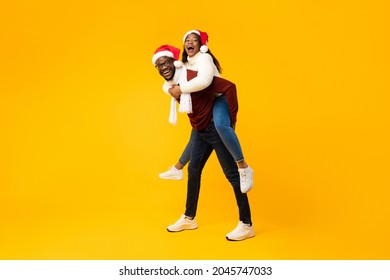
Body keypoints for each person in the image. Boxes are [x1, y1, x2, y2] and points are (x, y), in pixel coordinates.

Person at [152, 45, 255, 241]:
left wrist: (230, 119)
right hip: (200, 130)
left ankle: (246, 224)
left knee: (232, 175)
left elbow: (227, 87)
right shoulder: (171, 87)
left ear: (174, 63)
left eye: (166, 63)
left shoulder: (194, 76)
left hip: (215, 129)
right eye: (159, 66)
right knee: (194, 173)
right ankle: (189, 218)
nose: (163, 68)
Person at [159, 29, 254, 193]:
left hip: (220, 97)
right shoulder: (185, 65)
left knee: (221, 125)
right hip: (207, 100)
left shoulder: (205, 58)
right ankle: (177, 168)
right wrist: (169, 89)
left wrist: (180, 89)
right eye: (187, 40)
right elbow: (169, 82)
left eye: (194, 39)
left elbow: (204, 81)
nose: (190, 42)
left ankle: (243, 167)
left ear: (201, 45)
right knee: (197, 131)